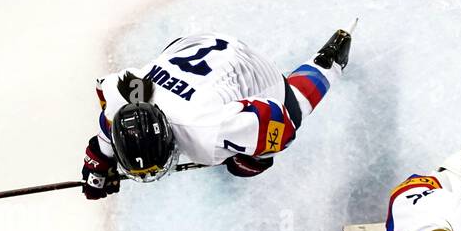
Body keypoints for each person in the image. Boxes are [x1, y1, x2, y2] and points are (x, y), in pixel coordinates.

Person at [79, 27, 352, 199]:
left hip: (248, 66)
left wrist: (254, 160)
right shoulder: (123, 95)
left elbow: (279, 124)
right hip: (196, 42)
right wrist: (100, 157)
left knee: (295, 112)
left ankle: (329, 64)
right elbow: (112, 110)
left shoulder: (210, 131)